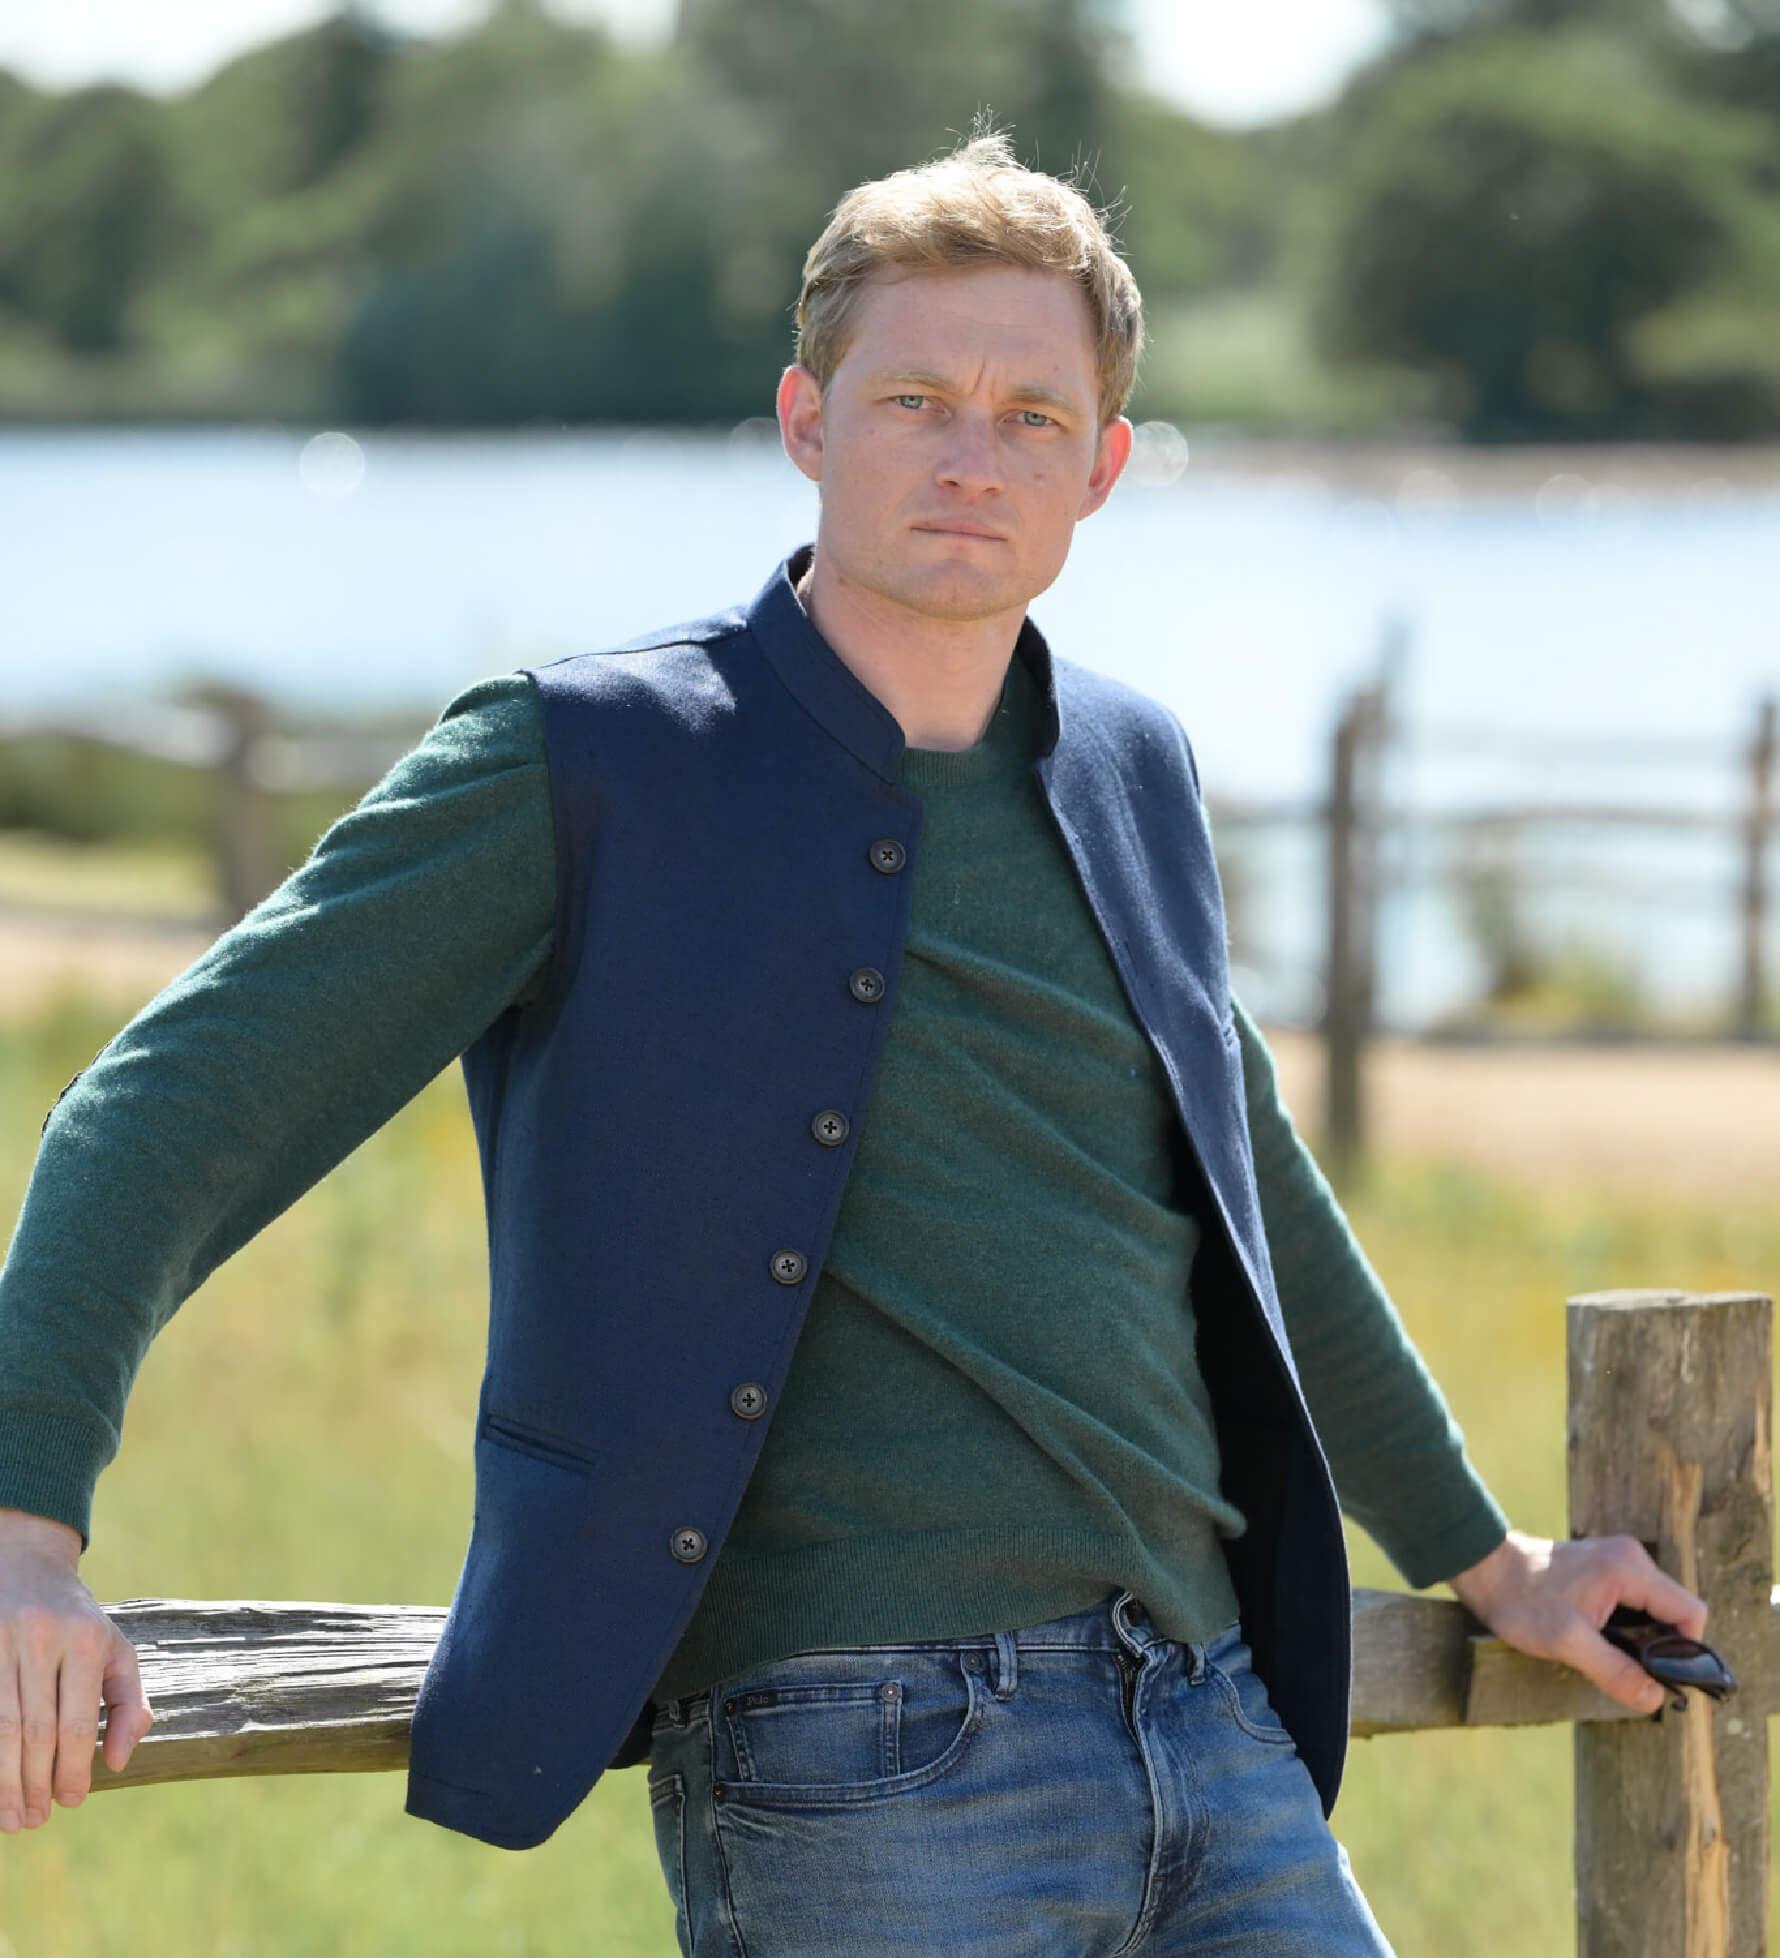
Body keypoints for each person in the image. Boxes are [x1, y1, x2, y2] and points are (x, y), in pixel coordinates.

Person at [0, 134, 1705, 1953]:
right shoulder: (587, 763)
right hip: (856, 1760)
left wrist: (1491, 1563)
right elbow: (175, 1101)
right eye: (918, 397)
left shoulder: (1134, 765)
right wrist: (29, 1525)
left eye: (1032, 416)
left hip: (1215, 1723)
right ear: (809, 421)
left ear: (1105, 468)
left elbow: (1253, 1191)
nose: (974, 455)